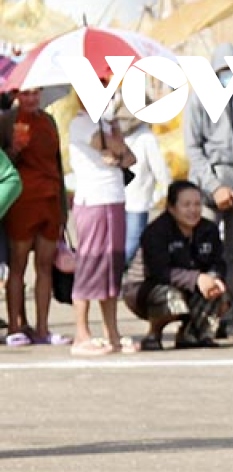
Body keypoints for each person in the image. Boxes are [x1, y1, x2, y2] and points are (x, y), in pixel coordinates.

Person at [183, 43, 233, 325]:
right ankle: (200, 315)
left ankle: (229, 315)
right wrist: (214, 186)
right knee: (203, 250)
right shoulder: (198, 100)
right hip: (208, 186)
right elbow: (193, 150)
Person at [122, 180, 228, 351]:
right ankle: (153, 334)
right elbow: (160, 272)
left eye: (197, 204)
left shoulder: (209, 229)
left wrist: (214, 278)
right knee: (171, 298)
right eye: (186, 205)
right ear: (171, 208)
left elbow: (218, 261)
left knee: (220, 294)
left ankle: (191, 334)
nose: (193, 210)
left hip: (189, 286)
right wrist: (197, 278)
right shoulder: (155, 231)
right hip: (144, 289)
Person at [65, 94, 135, 355]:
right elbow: (118, 150)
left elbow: (129, 158)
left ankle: (112, 333)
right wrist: (115, 147)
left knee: (112, 267)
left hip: (114, 198)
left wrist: (115, 134)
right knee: (91, 263)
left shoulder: (106, 125)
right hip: (93, 200)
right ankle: (81, 335)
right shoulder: (82, 124)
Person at [1, 88, 68, 346]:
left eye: (35, 94)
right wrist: (13, 150)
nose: (31, 99)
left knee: (45, 266)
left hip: (49, 199)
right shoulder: (7, 121)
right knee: (17, 267)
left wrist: (63, 209)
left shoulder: (48, 120)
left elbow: (58, 164)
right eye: (26, 94)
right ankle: (15, 326)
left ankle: (42, 328)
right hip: (21, 201)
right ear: (17, 94)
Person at [120, 110, 170, 264]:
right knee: (127, 249)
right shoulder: (114, 134)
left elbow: (161, 171)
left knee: (129, 249)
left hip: (136, 203)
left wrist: (166, 193)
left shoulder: (146, 138)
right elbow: (161, 172)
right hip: (123, 201)